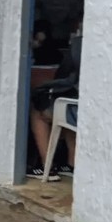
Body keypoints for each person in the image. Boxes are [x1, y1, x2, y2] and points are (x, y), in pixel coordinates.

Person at [28, 33, 82, 180]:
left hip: (79, 111)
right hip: (90, 110)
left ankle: (47, 167)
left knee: (38, 111)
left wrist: (43, 89)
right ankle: (71, 164)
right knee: (67, 104)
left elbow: (64, 77)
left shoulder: (80, 45)